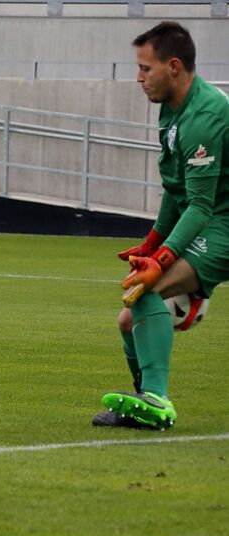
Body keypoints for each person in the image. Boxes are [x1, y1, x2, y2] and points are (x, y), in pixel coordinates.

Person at [93, 22, 229, 430]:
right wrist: (151, 244)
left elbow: (200, 205)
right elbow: (177, 190)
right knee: (128, 319)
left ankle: (156, 400)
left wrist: (163, 258)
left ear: (173, 67)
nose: (138, 77)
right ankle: (145, 401)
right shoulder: (172, 109)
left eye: (145, 68)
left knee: (146, 288)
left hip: (221, 222)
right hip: (211, 219)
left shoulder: (204, 116)